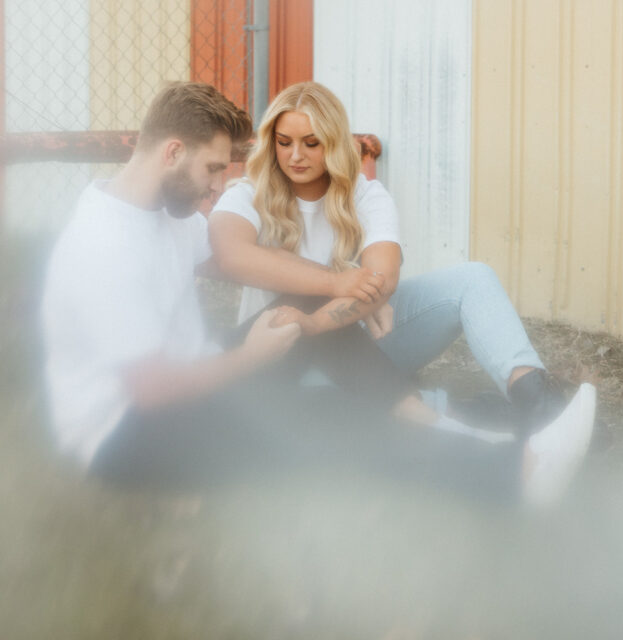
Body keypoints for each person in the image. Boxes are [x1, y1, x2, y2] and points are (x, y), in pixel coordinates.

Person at [42, 81, 595, 505]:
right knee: (333, 429)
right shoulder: (104, 246)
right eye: (213, 169)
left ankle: (484, 431)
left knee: (301, 330)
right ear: (171, 152)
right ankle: (510, 469)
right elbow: (152, 390)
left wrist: (357, 297)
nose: (217, 185)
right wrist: (252, 355)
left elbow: (233, 258)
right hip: (129, 433)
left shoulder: (163, 218)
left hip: (198, 383)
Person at [209, 81, 585, 440]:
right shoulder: (247, 194)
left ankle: (540, 404)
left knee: (474, 278)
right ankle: (454, 413)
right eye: (284, 142)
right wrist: (338, 287)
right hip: (281, 353)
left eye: (311, 143)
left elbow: (382, 279)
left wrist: (335, 309)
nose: (295, 155)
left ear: (335, 143)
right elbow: (231, 256)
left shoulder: (366, 196)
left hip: (355, 340)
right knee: (329, 389)